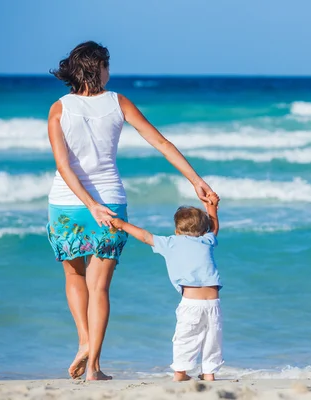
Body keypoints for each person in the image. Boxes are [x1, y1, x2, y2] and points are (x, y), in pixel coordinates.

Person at [46, 41, 215, 381]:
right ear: (98, 68)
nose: (111, 72)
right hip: (109, 203)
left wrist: (87, 204)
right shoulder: (118, 102)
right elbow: (162, 143)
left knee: (73, 276)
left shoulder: (59, 108)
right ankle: (93, 365)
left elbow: (64, 167)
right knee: (101, 288)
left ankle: (82, 341)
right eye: (107, 65)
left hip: (66, 204)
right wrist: (196, 180)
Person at [110, 192, 223, 382]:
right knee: (213, 339)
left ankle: (180, 373)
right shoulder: (207, 240)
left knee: (185, 337)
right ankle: (209, 373)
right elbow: (215, 227)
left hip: (191, 303)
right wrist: (211, 207)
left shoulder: (170, 242)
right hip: (213, 303)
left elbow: (145, 236)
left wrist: (122, 225)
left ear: (177, 230)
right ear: (203, 230)